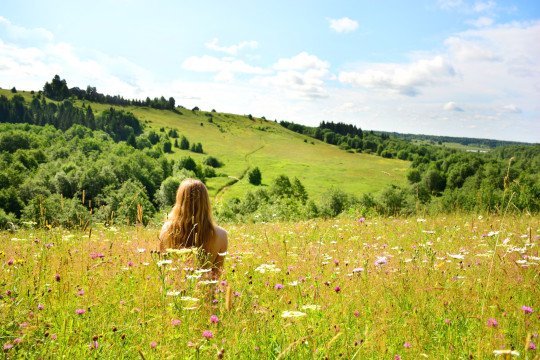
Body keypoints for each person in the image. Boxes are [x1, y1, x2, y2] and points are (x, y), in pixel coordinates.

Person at [159, 178, 228, 277]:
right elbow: (216, 277)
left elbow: (164, 269)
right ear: (206, 202)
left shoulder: (167, 230)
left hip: (174, 289)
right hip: (204, 291)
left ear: (180, 201)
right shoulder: (221, 235)